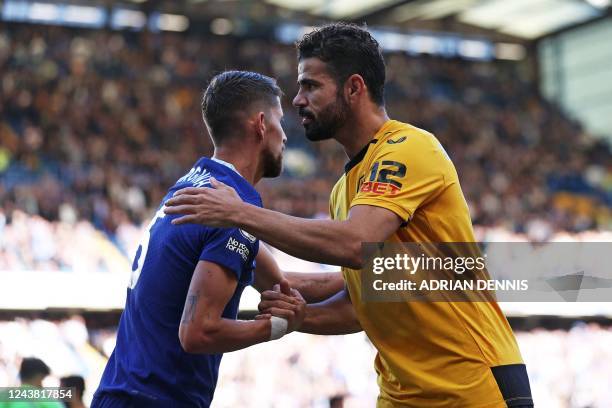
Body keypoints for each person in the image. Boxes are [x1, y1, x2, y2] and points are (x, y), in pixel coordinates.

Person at [164, 24, 534, 407]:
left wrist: (239, 214)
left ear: (354, 88)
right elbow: (362, 304)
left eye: (310, 86)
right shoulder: (345, 190)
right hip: (402, 394)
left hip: (473, 385)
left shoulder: (408, 147)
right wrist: (291, 311)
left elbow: (355, 244)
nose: (297, 100)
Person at [92, 70, 341, 408]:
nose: (284, 136)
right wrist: (274, 327)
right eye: (281, 122)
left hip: (123, 394)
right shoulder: (232, 207)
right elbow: (198, 332)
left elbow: (280, 285)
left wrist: (373, 276)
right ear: (261, 124)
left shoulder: (196, 185)